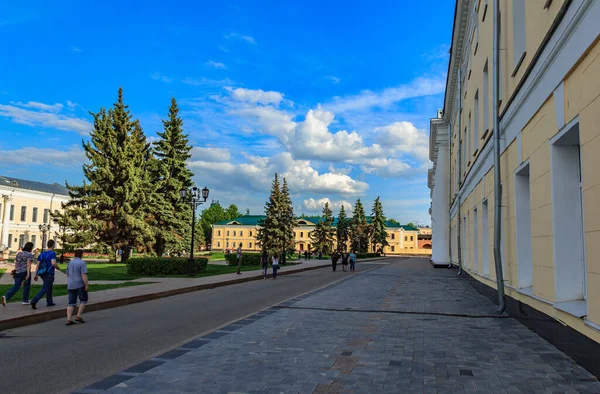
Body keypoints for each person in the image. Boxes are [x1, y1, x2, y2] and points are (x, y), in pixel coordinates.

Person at [1, 242, 34, 306]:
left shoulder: (19, 253)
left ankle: (6, 296)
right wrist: (28, 274)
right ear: (30, 248)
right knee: (26, 286)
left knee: (16, 286)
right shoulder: (29, 255)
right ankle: (25, 300)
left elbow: (16, 263)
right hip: (24, 272)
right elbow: (28, 265)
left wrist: (16, 270)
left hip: (18, 272)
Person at [31, 240, 60, 309]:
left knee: (49, 286)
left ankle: (49, 302)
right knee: (45, 287)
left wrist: (36, 274)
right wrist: (58, 268)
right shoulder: (52, 253)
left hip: (42, 273)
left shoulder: (42, 254)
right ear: (53, 245)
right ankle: (34, 300)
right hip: (49, 273)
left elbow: (37, 265)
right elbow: (53, 263)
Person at [66, 249, 88, 325]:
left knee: (71, 302)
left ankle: (69, 319)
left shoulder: (70, 263)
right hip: (80, 284)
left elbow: (68, 274)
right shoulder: (82, 263)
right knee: (83, 299)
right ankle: (78, 316)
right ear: (81, 255)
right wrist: (86, 284)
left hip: (71, 285)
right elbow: (83, 275)